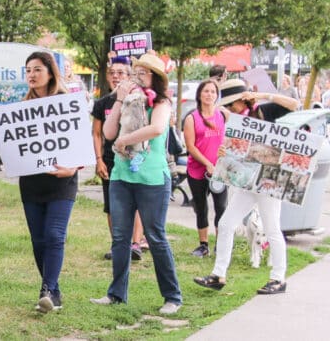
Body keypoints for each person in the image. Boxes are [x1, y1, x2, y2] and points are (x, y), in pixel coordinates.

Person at [91, 51, 182, 315]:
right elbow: (108, 133)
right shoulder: (126, 100)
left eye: (143, 73)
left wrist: (124, 141)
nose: (137, 77)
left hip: (152, 178)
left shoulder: (162, 103)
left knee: (155, 236)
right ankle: (116, 294)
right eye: (136, 72)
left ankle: (172, 296)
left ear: (155, 78)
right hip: (122, 177)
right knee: (120, 237)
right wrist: (119, 99)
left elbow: (156, 129)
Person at [194, 79, 298, 295]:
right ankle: (218, 274)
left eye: (234, 105)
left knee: (271, 228)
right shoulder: (233, 121)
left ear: (243, 101)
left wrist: (263, 96)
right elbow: (233, 150)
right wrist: (224, 154)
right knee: (226, 223)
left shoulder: (263, 112)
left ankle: (279, 278)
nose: (231, 110)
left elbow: (294, 105)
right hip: (247, 181)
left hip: (268, 179)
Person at [15, 52, 80, 314]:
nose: (31, 75)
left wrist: (74, 168)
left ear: (51, 73)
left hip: (62, 181)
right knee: (39, 240)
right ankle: (53, 290)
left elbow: (81, 142)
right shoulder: (20, 107)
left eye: (37, 69)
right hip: (31, 183)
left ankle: (47, 291)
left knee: (54, 235)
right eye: (28, 70)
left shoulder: (67, 103)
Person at [91, 53, 146, 261]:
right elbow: (96, 133)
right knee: (112, 205)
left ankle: (135, 244)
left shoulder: (139, 99)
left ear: (129, 75)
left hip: (135, 159)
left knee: (137, 203)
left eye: (120, 72)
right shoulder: (103, 103)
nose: (116, 76)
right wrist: (98, 160)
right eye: (112, 73)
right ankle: (117, 246)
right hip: (110, 160)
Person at [183, 80, 228, 257]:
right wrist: (207, 163)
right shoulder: (191, 118)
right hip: (197, 170)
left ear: (217, 95)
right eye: (206, 91)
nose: (209, 95)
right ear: (199, 94)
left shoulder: (222, 116)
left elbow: (228, 138)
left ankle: (221, 244)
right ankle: (203, 245)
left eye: (213, 92)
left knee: (221, 208)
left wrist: (224, 152)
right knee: (201, 208)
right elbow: (191, 146)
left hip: (220, 171)